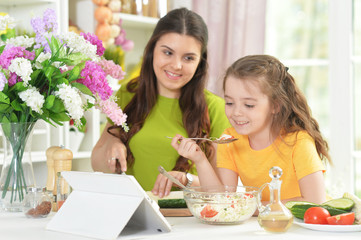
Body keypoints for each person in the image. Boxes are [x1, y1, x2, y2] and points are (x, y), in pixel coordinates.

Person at [91, 8, 230, 198]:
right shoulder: (128, 94)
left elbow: (223, 191)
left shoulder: (215, 108)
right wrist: (113, 144)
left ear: (200, 62)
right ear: (152, 50)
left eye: (188, 58)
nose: (176, 65)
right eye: (168, 53)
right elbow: (97, 165)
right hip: (132, 213)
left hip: (189, 220)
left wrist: (185, 179)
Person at [171, 54, 331, 204]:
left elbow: (316, 201)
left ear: (275, 106)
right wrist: (199, 159)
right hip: (266, 225)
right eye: (229, 103)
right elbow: (222, 199)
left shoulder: (299, 142)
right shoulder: (229, 139)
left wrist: (253, 206)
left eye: (249, 105)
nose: (236, 112)